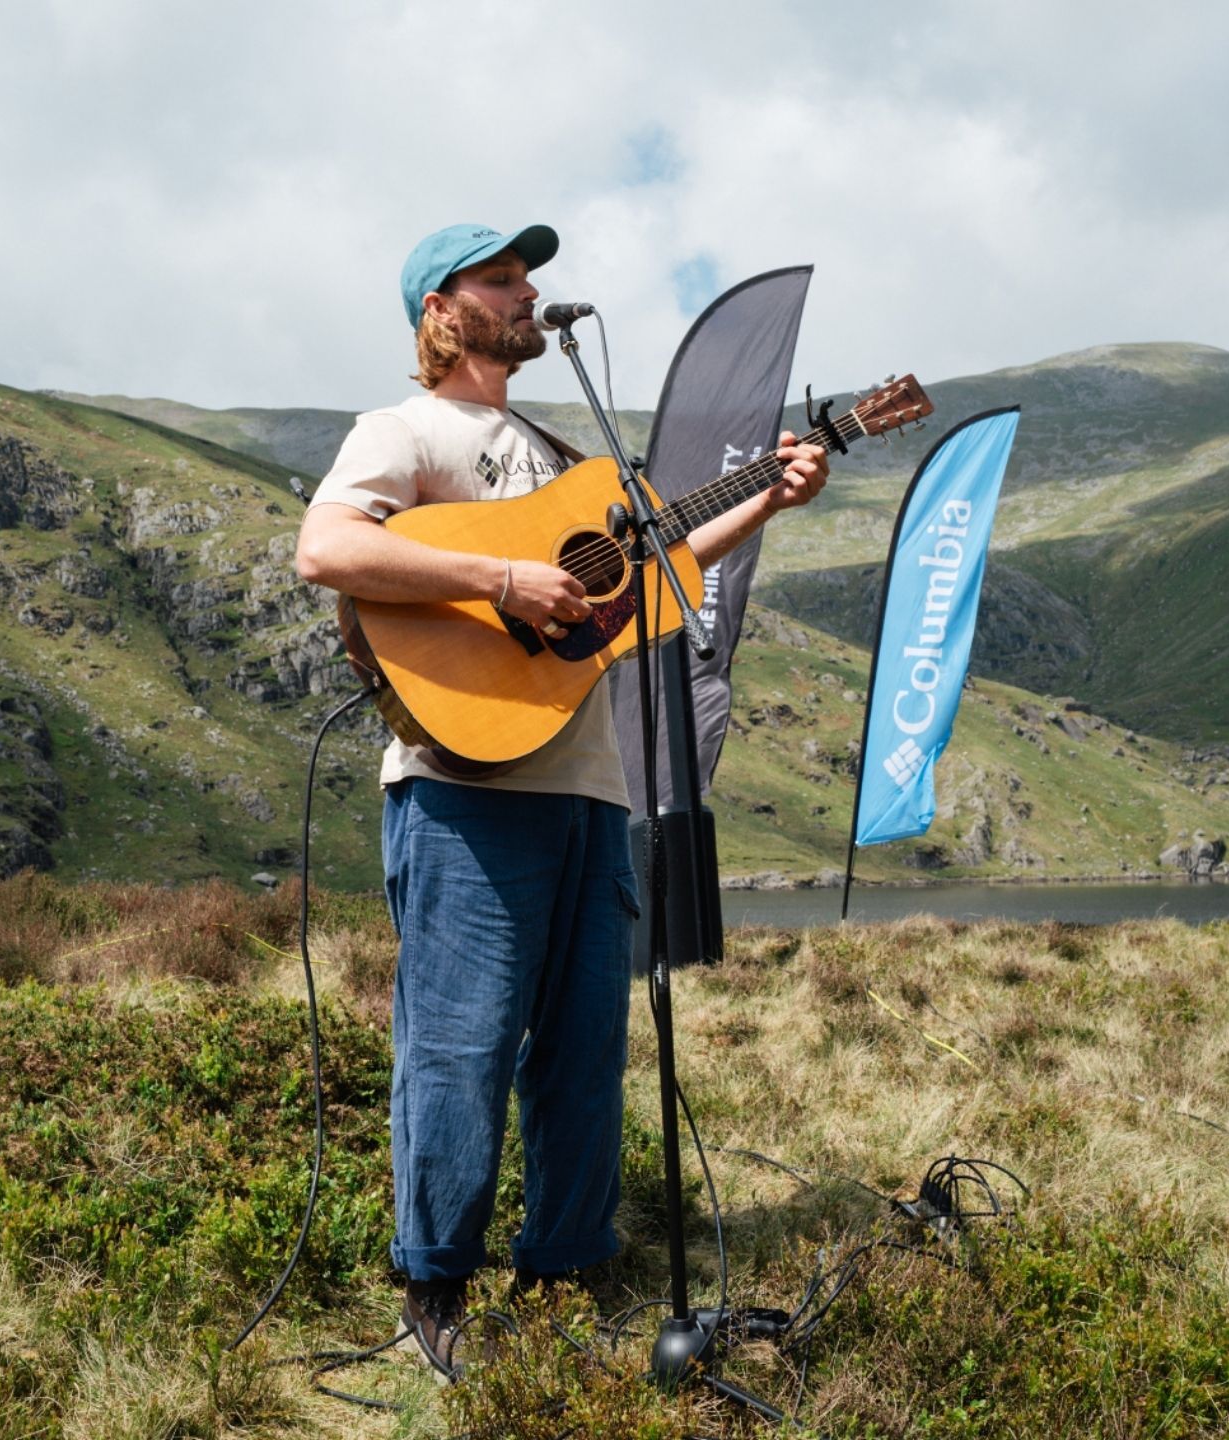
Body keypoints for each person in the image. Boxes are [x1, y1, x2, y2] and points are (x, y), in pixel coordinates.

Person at [294, 222, 829, 1379]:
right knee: (462, 1042)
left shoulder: (565, 453)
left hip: (593, 789)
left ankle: (564, 1268)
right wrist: (498, 577)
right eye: (501, 278)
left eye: (527, 276)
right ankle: (434, 1282)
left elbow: (655, 571)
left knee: (587, 1044)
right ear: (442, 309)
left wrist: (769, 501)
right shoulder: (407, 430)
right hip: (464, 788)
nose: (527, 291)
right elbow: (327, 550)